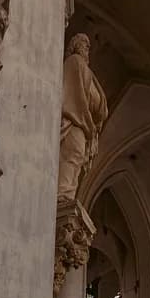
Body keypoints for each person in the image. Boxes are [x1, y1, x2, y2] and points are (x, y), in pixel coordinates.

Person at [57, 34, 108, 201]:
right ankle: (62, 196)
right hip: (76, 119)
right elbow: (77, 95)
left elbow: (99, 104)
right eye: (83, 44)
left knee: (77, 158)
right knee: (72, 155)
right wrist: (89, 120)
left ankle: (66, 197)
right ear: (75, 45)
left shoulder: (87, 71)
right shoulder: (75, 62)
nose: (87, 48)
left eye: (88, 46)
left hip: (83, 124)